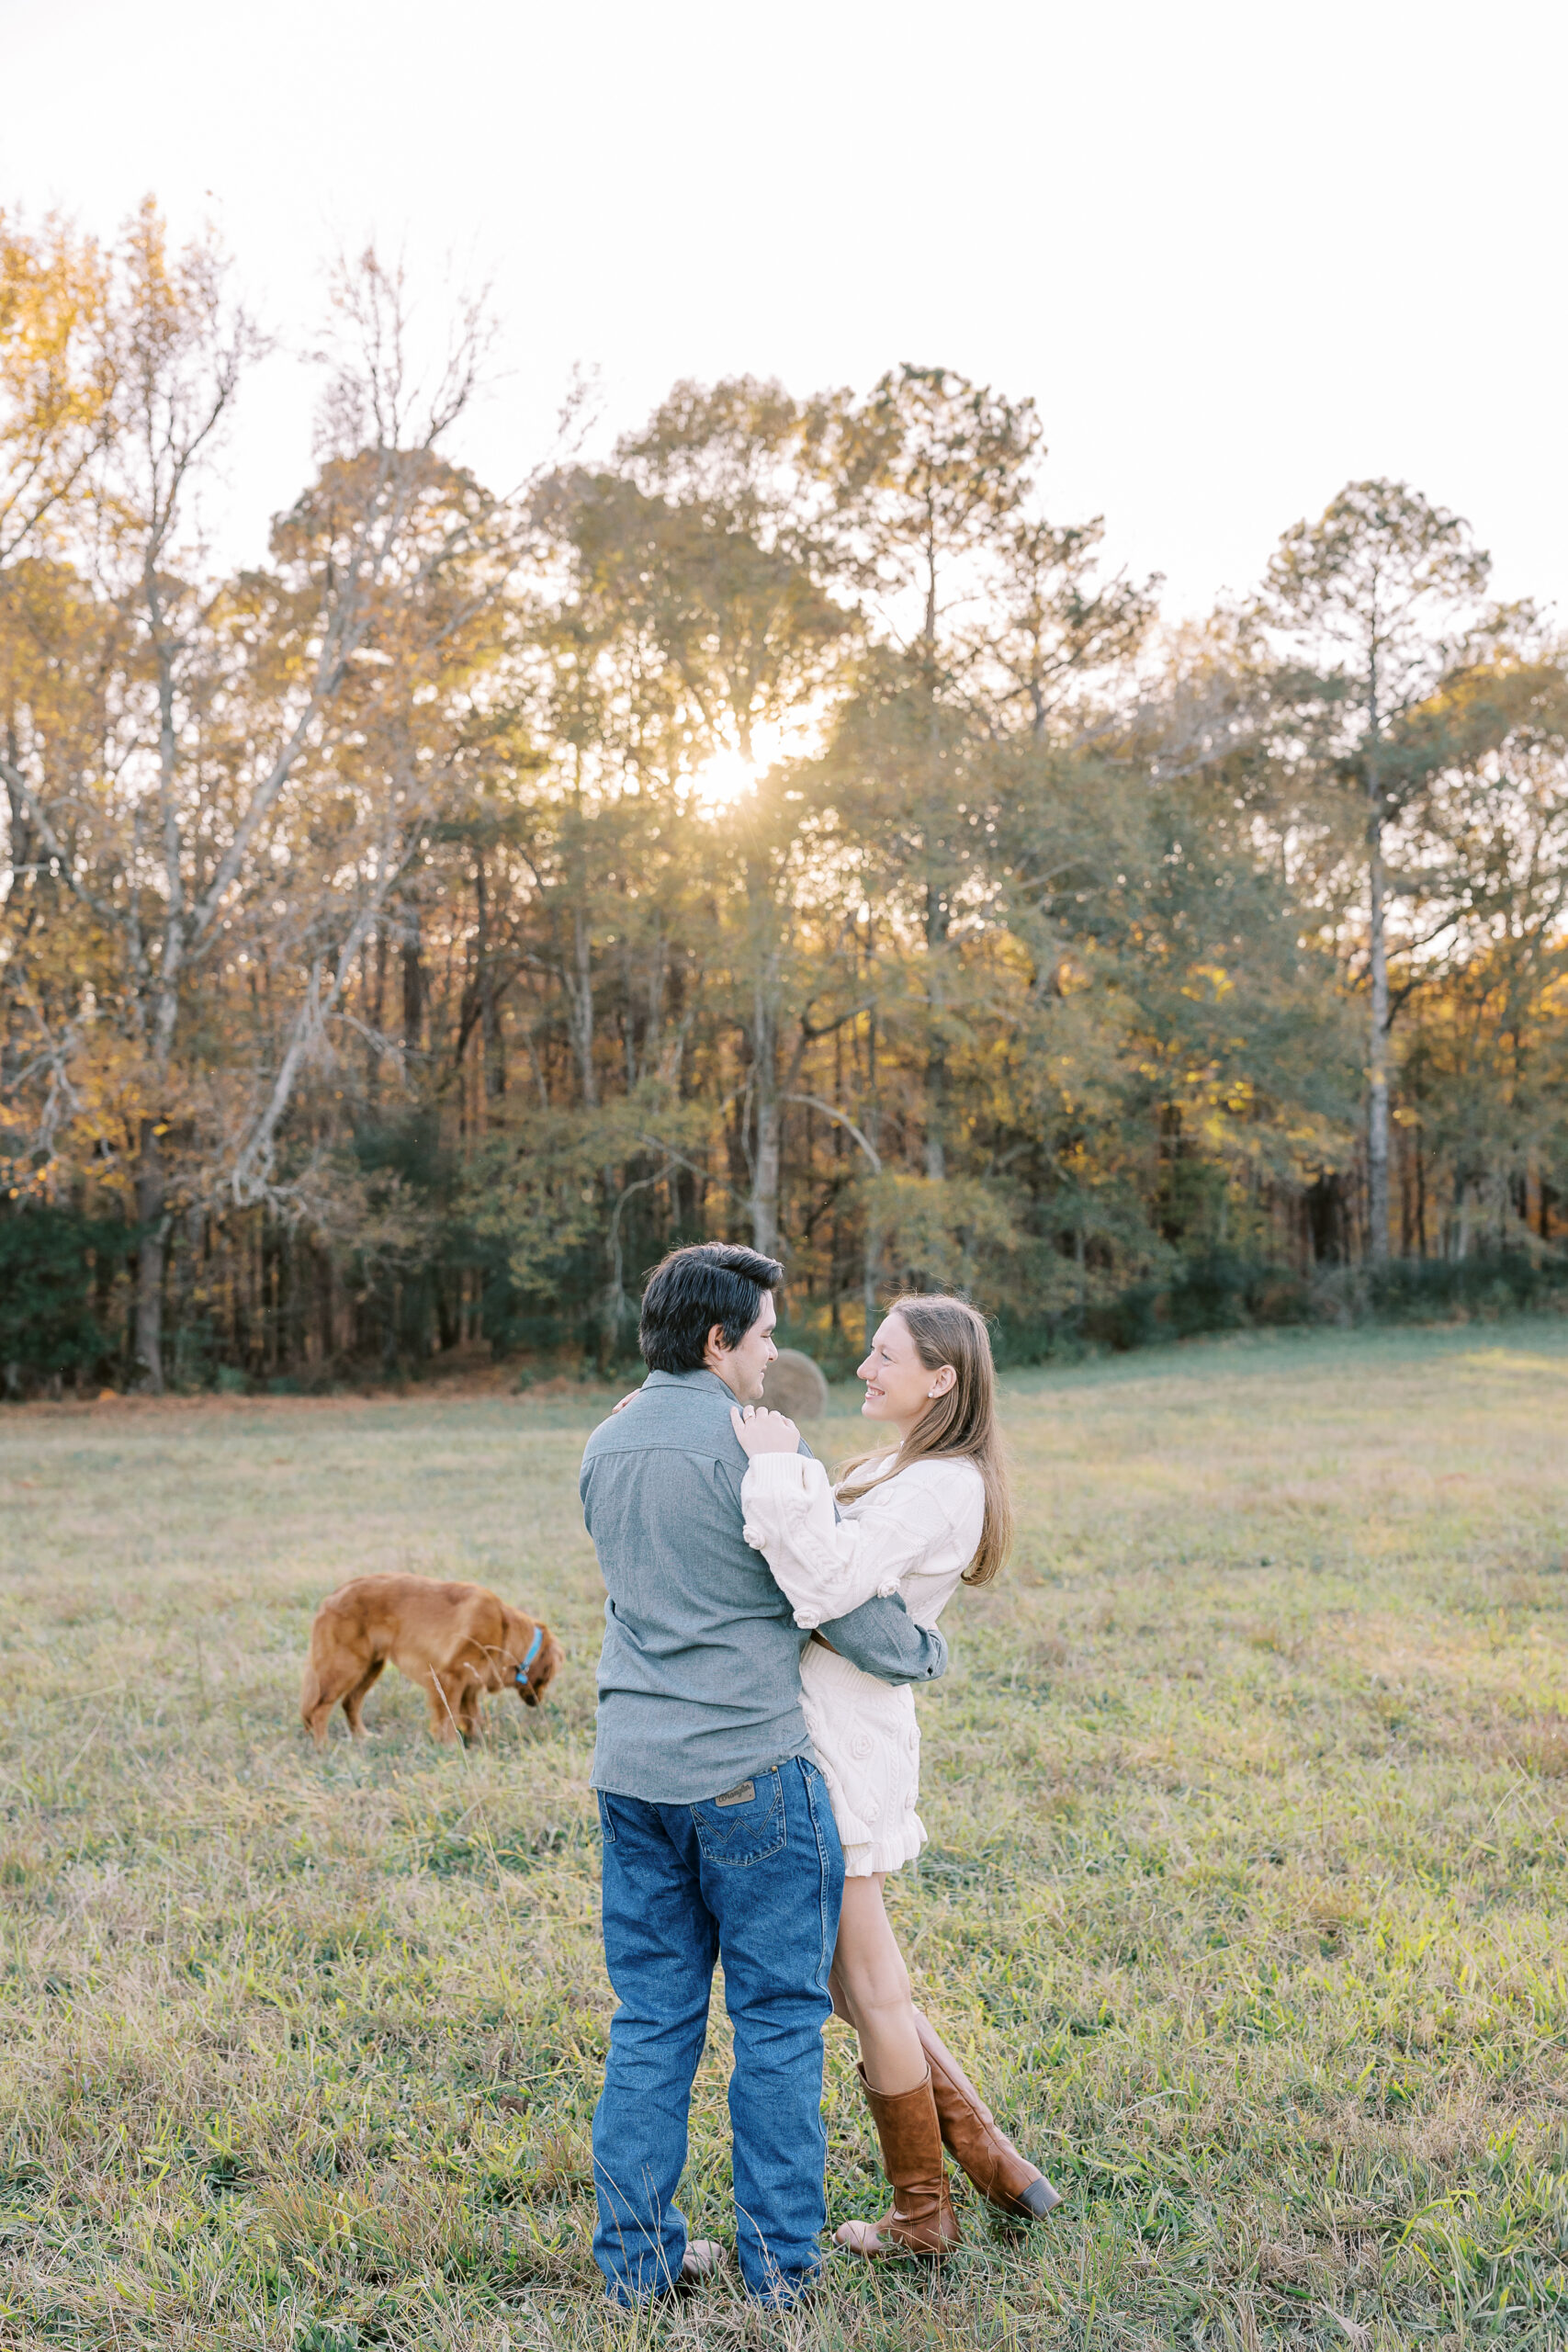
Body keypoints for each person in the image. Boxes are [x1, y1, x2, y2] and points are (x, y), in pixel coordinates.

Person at [579, 1243, 950, 2310]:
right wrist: (921, 1650)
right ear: (716, 1340)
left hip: (632, 1775)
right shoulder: (753, 1452)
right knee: (780, 2021)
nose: (775, 1351)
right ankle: (780, 2267)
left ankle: (638, 2268)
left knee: (651, 2019)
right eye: (767, 1333)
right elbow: (835, 1595)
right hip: (747, 1772)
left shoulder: (606, 1443)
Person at [732, 1292, 1061, 2258]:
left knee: (867, 1983)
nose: (865, 1369)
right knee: (857, 1980)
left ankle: (928, 2210)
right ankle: (991, 2162)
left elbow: (826, 1586)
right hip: (828, 1725)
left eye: (885, 1357)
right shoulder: (898, 1465)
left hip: (843, 1738)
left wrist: (774, 1469)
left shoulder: (939, 1486)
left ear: (941, 1378)